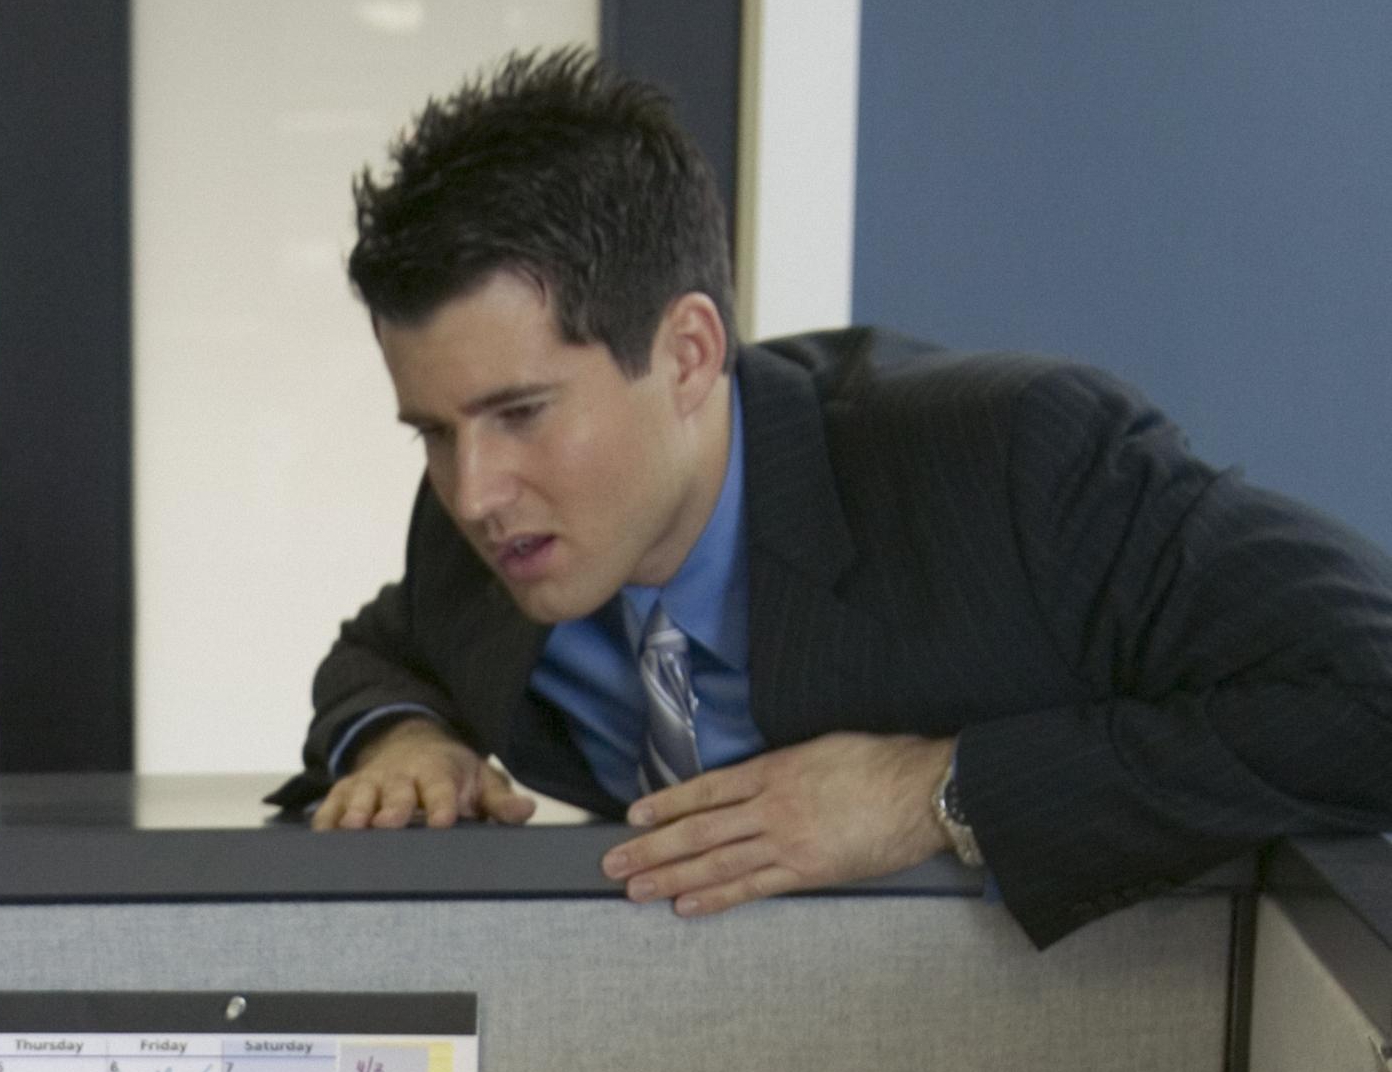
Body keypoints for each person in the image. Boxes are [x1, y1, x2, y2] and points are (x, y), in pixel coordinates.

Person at [285, 49, 1392, 946]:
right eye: (432, 430)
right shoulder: (488, 524)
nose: (471, 492)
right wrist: (401, 739)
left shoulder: (1011, 466)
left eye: (520, 411)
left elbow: (1368, 693)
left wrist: (936, 792)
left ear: (684, 355)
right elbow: (384, 649)